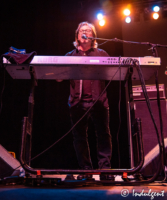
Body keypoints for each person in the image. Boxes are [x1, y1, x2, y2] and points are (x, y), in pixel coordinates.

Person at [65, 22, 114, 181]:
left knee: (103, 135)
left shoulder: (102, 54)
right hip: (77, 103)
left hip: (99, 101)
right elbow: (58, 77)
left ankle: (105, 170)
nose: (84, 33)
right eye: (81, 31)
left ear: (93, 36)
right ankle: (86, 170)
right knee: (79, 137)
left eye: (88, 31)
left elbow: (111, 75)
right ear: (77, 36)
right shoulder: (70, 56)